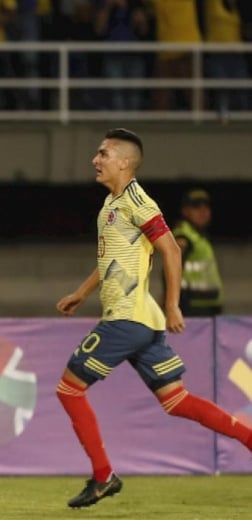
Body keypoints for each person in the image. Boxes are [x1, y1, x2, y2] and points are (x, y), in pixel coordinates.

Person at [54, 128, 252, 509]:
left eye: (103, 153)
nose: (96, 160)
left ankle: (103, 477)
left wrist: (174, 303)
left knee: (69, 389)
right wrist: (82, 292)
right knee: (176, 400)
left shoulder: (137, 201)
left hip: (127, 318)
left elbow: (170, 251)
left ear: (125, 162)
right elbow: (111, 261)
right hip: (143, 320)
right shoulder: (111, 205)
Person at [169, 188, 224, 316]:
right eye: (196, 207)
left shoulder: (200, 236)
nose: (203, 211)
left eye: (206, 206)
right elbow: (170, 267)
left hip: (208, 306)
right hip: (191, 308)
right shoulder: (183, 235)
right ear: (185, 211)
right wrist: (171, 303)